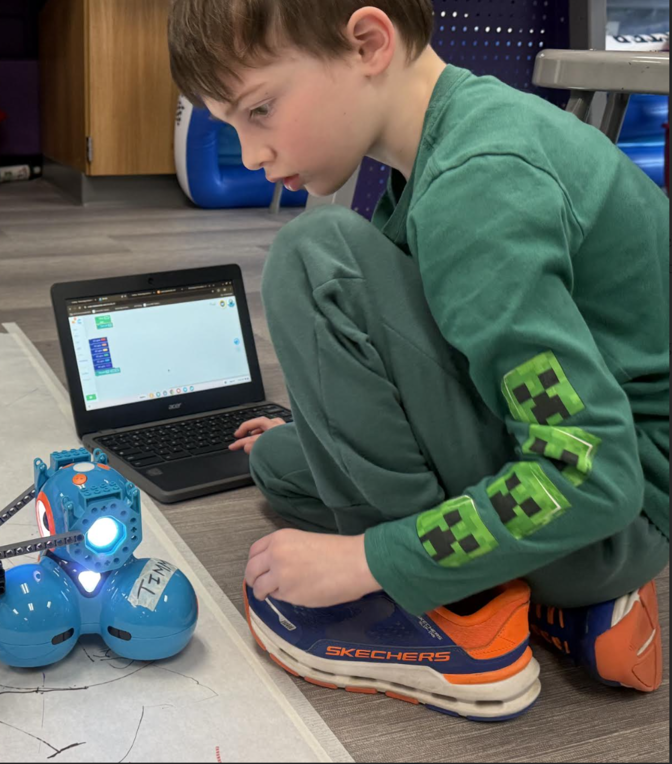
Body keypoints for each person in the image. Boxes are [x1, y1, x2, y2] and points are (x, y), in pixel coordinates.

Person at [169, 0, 669, 719]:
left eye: (260, 110)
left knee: (315, 259)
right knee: (279, 462)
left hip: (614, 511)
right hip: (599, 477)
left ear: (370, 43)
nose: (251, 155)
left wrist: (368, 561)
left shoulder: (479, 187)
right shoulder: (447, 143)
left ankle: (454, 614)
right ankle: (551, 600)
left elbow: (586, 472)